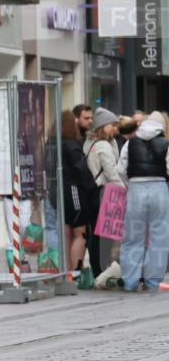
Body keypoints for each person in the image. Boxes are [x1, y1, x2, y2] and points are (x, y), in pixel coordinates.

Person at [117, 112, 169, 292]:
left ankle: (130, 282)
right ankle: (152, 282)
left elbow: (120, 169)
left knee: (132, 237)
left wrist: (129, 184)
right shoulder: (166, 143)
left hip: (136, 188)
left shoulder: (130, 143)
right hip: (159, 189)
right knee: (159, 237)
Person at [84, 107, 125, 279]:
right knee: (102, 236)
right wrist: (124, 190)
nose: (116, 129)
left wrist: (113, 141)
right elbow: (111, 172)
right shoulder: (102, 146)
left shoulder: (91, 143)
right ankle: (100, 270)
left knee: (97, 233)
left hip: (95, 193)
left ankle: (98, 269)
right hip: (104, 193)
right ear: (103, 126)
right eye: (112, 125)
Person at [54, 111, 95, 278]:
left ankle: (67, 271)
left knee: (66, 233)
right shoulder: (71, 144)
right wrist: (91, 187)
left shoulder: (51, 142)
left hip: (57, 191)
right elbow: (81, 169)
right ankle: (76, 271)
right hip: (73, 190)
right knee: (80, 233)